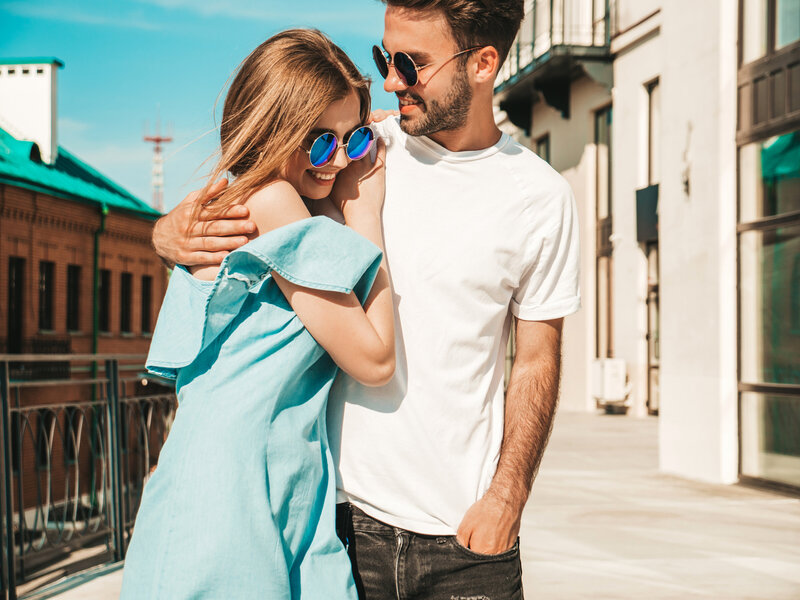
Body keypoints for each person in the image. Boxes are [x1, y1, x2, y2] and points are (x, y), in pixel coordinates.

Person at [153, 1, 580, 598]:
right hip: (336, 523)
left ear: (484, 63)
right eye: (385, 57)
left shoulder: (541, 197)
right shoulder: (351, 149)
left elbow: (537, 358)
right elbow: (253, 186)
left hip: (464, 537)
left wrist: (507, 500)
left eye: (411, 63)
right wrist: (167, 232)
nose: (390, 80)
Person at [120, 29, 395, 599]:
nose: (341, 160)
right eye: (320, 143)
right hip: (230, 494)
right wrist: (368, 213)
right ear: (272, 131)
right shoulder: (272, 201)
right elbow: (374, 358)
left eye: (354, 139)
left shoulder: (245, 197)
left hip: (275, 478)